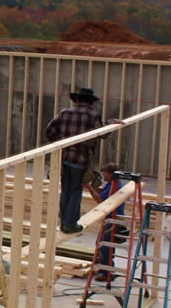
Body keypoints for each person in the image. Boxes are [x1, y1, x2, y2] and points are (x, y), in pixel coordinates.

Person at [44, 87, 123, 234]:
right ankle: (70, 224)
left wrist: (62, 144)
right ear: (90, 102)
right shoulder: (93, 115)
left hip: (64, 157)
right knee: (75, 191)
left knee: (66, 190)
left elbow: (49, 131)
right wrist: (111, 122)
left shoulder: (65, 113)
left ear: (78, 100)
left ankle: (64, 221)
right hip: (80, 159)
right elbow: (102, 134)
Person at [93, 163, 127, 282]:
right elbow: (102, 191)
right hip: (111, 218)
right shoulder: (112, 183)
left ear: (111, 174)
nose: (103, 176)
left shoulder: (115, 186)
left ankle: (107, 272)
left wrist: (88, 187)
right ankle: (104, 268)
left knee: (105, 247)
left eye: (105, 174)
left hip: (114, 219)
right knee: (101, 243)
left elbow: (100, 200)